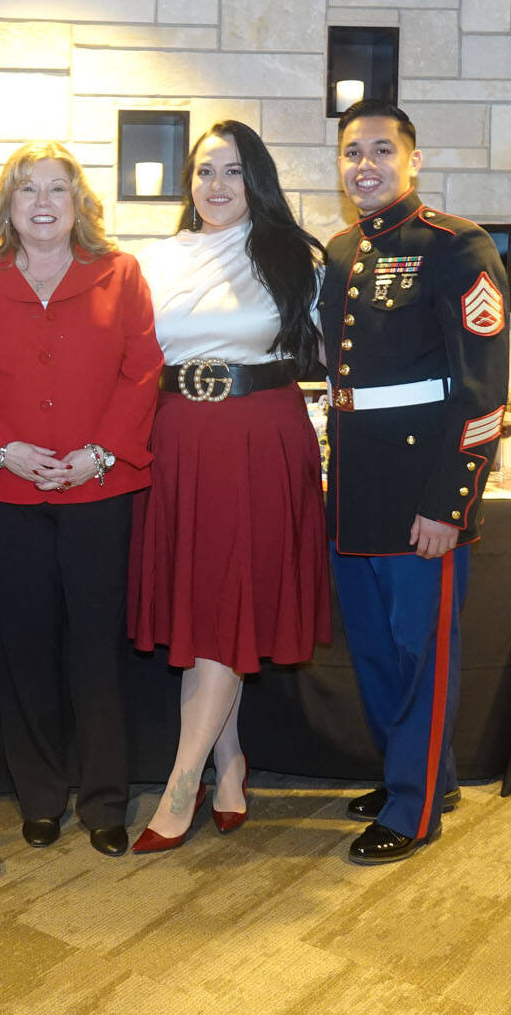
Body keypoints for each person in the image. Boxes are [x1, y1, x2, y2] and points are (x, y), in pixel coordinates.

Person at [0, 142, 162, 858]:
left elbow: (143, 372)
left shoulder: (121, 274)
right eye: (26, 191)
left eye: (57, 190)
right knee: (24, 649)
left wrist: (98, 455)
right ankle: (40, 796)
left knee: (97, 650)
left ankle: (105, 798)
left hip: (99, 489)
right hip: (7, 487)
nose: (42, 204)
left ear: (80, 204)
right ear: (6, 207)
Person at [128, 119, 332, 853]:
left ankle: (180, 786)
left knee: (226, 601)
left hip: (261, 436)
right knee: (214, 607)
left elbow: (342, 356)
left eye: (235, 171)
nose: (217, 185)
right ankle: (230, 762)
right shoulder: (151, 261)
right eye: (206, 170)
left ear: (259, 180)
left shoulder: (292, 258)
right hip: (178, 436)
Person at [321, 99, 510, 865]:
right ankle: (421, 772)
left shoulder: (457, 247)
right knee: (374, 651)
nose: (365, 165)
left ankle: (416, 804)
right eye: (351, 153)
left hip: (418, 492)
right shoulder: (339, 252)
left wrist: (449, 504)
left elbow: (481, 392)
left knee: (420, 652)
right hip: (356, 490)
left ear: (413, 160)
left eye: (381, 151)